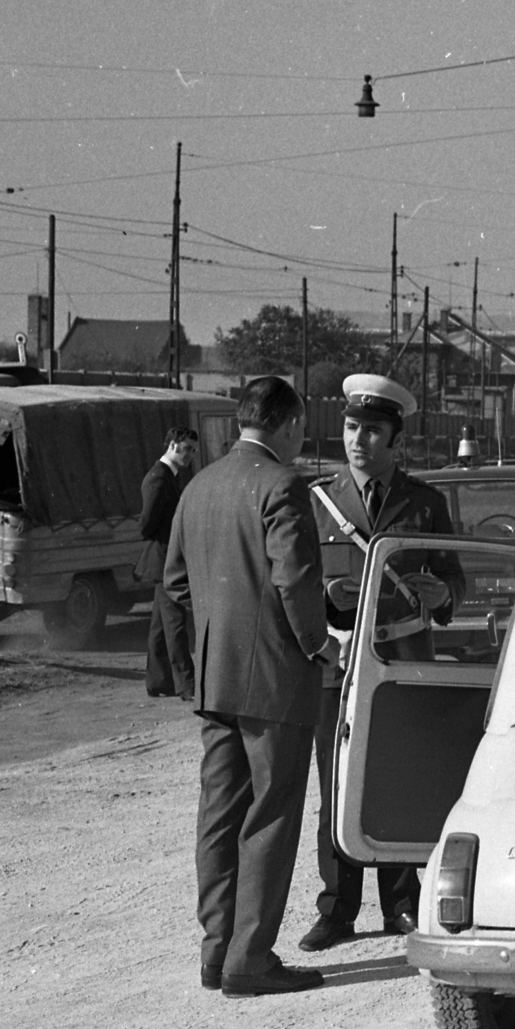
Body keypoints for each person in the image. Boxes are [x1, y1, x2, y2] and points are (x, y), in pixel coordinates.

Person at [163, 377, 336, 997]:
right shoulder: (283, 484)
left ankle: (216, 954)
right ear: (288, 425)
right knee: (271, 813)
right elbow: (296, 581)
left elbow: (176, 586)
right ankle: (251, 959)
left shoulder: (199, 486)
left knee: (218, 815)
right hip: (275, 679)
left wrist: (201, 655)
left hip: (217, 679)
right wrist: (320, 645)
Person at [298, 374, 463, 953]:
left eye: (372, 430)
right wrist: (326, 599)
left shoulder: (426, 503)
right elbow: (295, 585)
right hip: (340, 661)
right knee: (336, 779)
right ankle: (337, 908)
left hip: (404, 659)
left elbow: (454, 577)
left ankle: (400, 901)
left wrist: (442, 595)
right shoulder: (317, 501)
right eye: (350, 427)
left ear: (396, 440)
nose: (358, 439)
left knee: (401, 775)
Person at [137, 425, 198, 698]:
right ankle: (187, 686)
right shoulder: (159, 478)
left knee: (161, 626)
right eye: (186, 449)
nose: (190, 456)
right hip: (164, 562)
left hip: (166, 561)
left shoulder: (168, 476)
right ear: (172, 445)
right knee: (175, 625)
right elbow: (146, 525)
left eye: (194, 451)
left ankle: (158, 682)